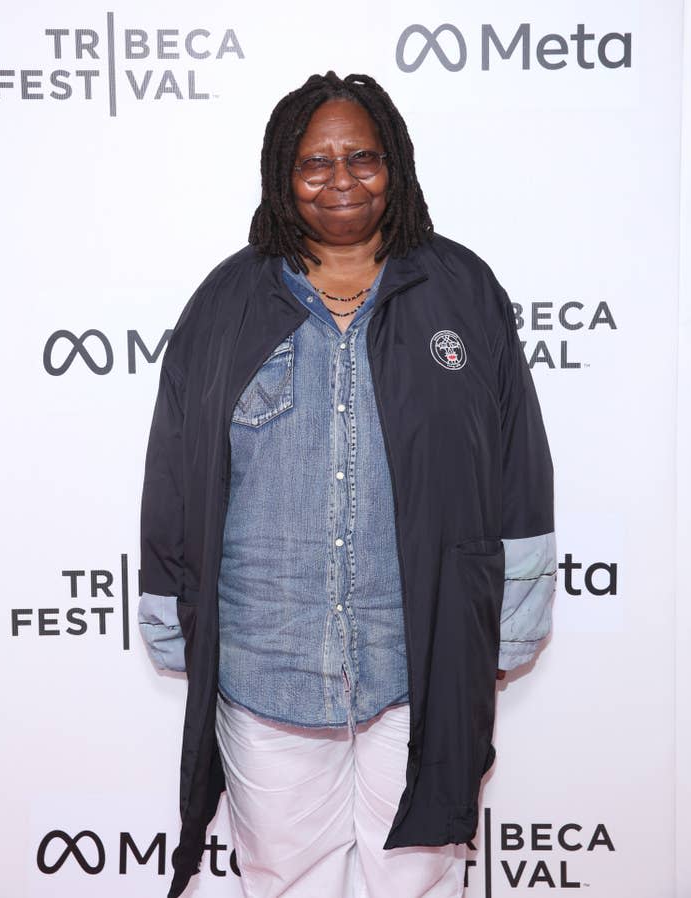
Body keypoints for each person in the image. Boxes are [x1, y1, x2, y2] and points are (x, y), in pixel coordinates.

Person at [138, 70, 556, 898]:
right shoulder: (224, 304)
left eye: (362, 158)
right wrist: (167, 615)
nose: (341, 179)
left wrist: (514, 621)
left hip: (422, 669)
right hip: (268, 673)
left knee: (418, 885)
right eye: (315, 162)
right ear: (282, 177)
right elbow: (173, 475)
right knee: (286, 885)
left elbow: (519, 464)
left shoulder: (462, 292)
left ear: (394, 165)